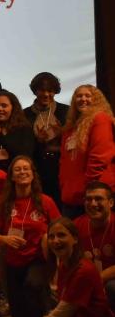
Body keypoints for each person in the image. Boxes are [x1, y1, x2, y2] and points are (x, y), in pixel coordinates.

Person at [15, 217, 115, 317]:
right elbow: (61, 316)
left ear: (75, 238)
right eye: (51, 236)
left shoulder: (83, 270)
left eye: (61, 235)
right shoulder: (64, 265)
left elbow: (59, 315)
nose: (55, 241)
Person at [0, 156, 60, 317]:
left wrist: (47, 241)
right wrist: (4, 239)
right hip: (12, 260)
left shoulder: (46, 201)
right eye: (18, 169)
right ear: (12, 177)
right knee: (19, 315)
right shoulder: (3, 203)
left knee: (33, 284)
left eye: (26, 169)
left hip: (37, 257)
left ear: (32, 175)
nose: (22, 172)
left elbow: (60, 228)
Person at [59, 84, 115, 218]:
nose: (83, 99)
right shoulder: (70, 127)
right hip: (72, 196)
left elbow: (100, 157)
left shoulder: (100, 119)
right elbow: (63, 161)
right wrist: (64, 186)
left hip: (93, 194)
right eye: (78, 96)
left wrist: (88, 189)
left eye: (88, 96)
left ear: (96, 99)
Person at [24, 72, 69, 207]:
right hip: (37, 170)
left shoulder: (66, 111)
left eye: (50, 91)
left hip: (62, 169)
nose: (46, 94)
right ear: (35, 91)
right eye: (42, 90)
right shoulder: (24, 115)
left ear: (55, 91)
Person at [74, 180, 115, 309]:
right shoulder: (76, 225)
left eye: (98, 199)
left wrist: (99, 279)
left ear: (111, 202)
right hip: (88, 280)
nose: (93, 204)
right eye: (88, 199)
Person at [0, 90, 35, 172]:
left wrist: (0, 136)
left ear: (13, 108)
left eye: (4, 106)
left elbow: (24, 156)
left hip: (16, 174)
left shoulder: (24, 128)